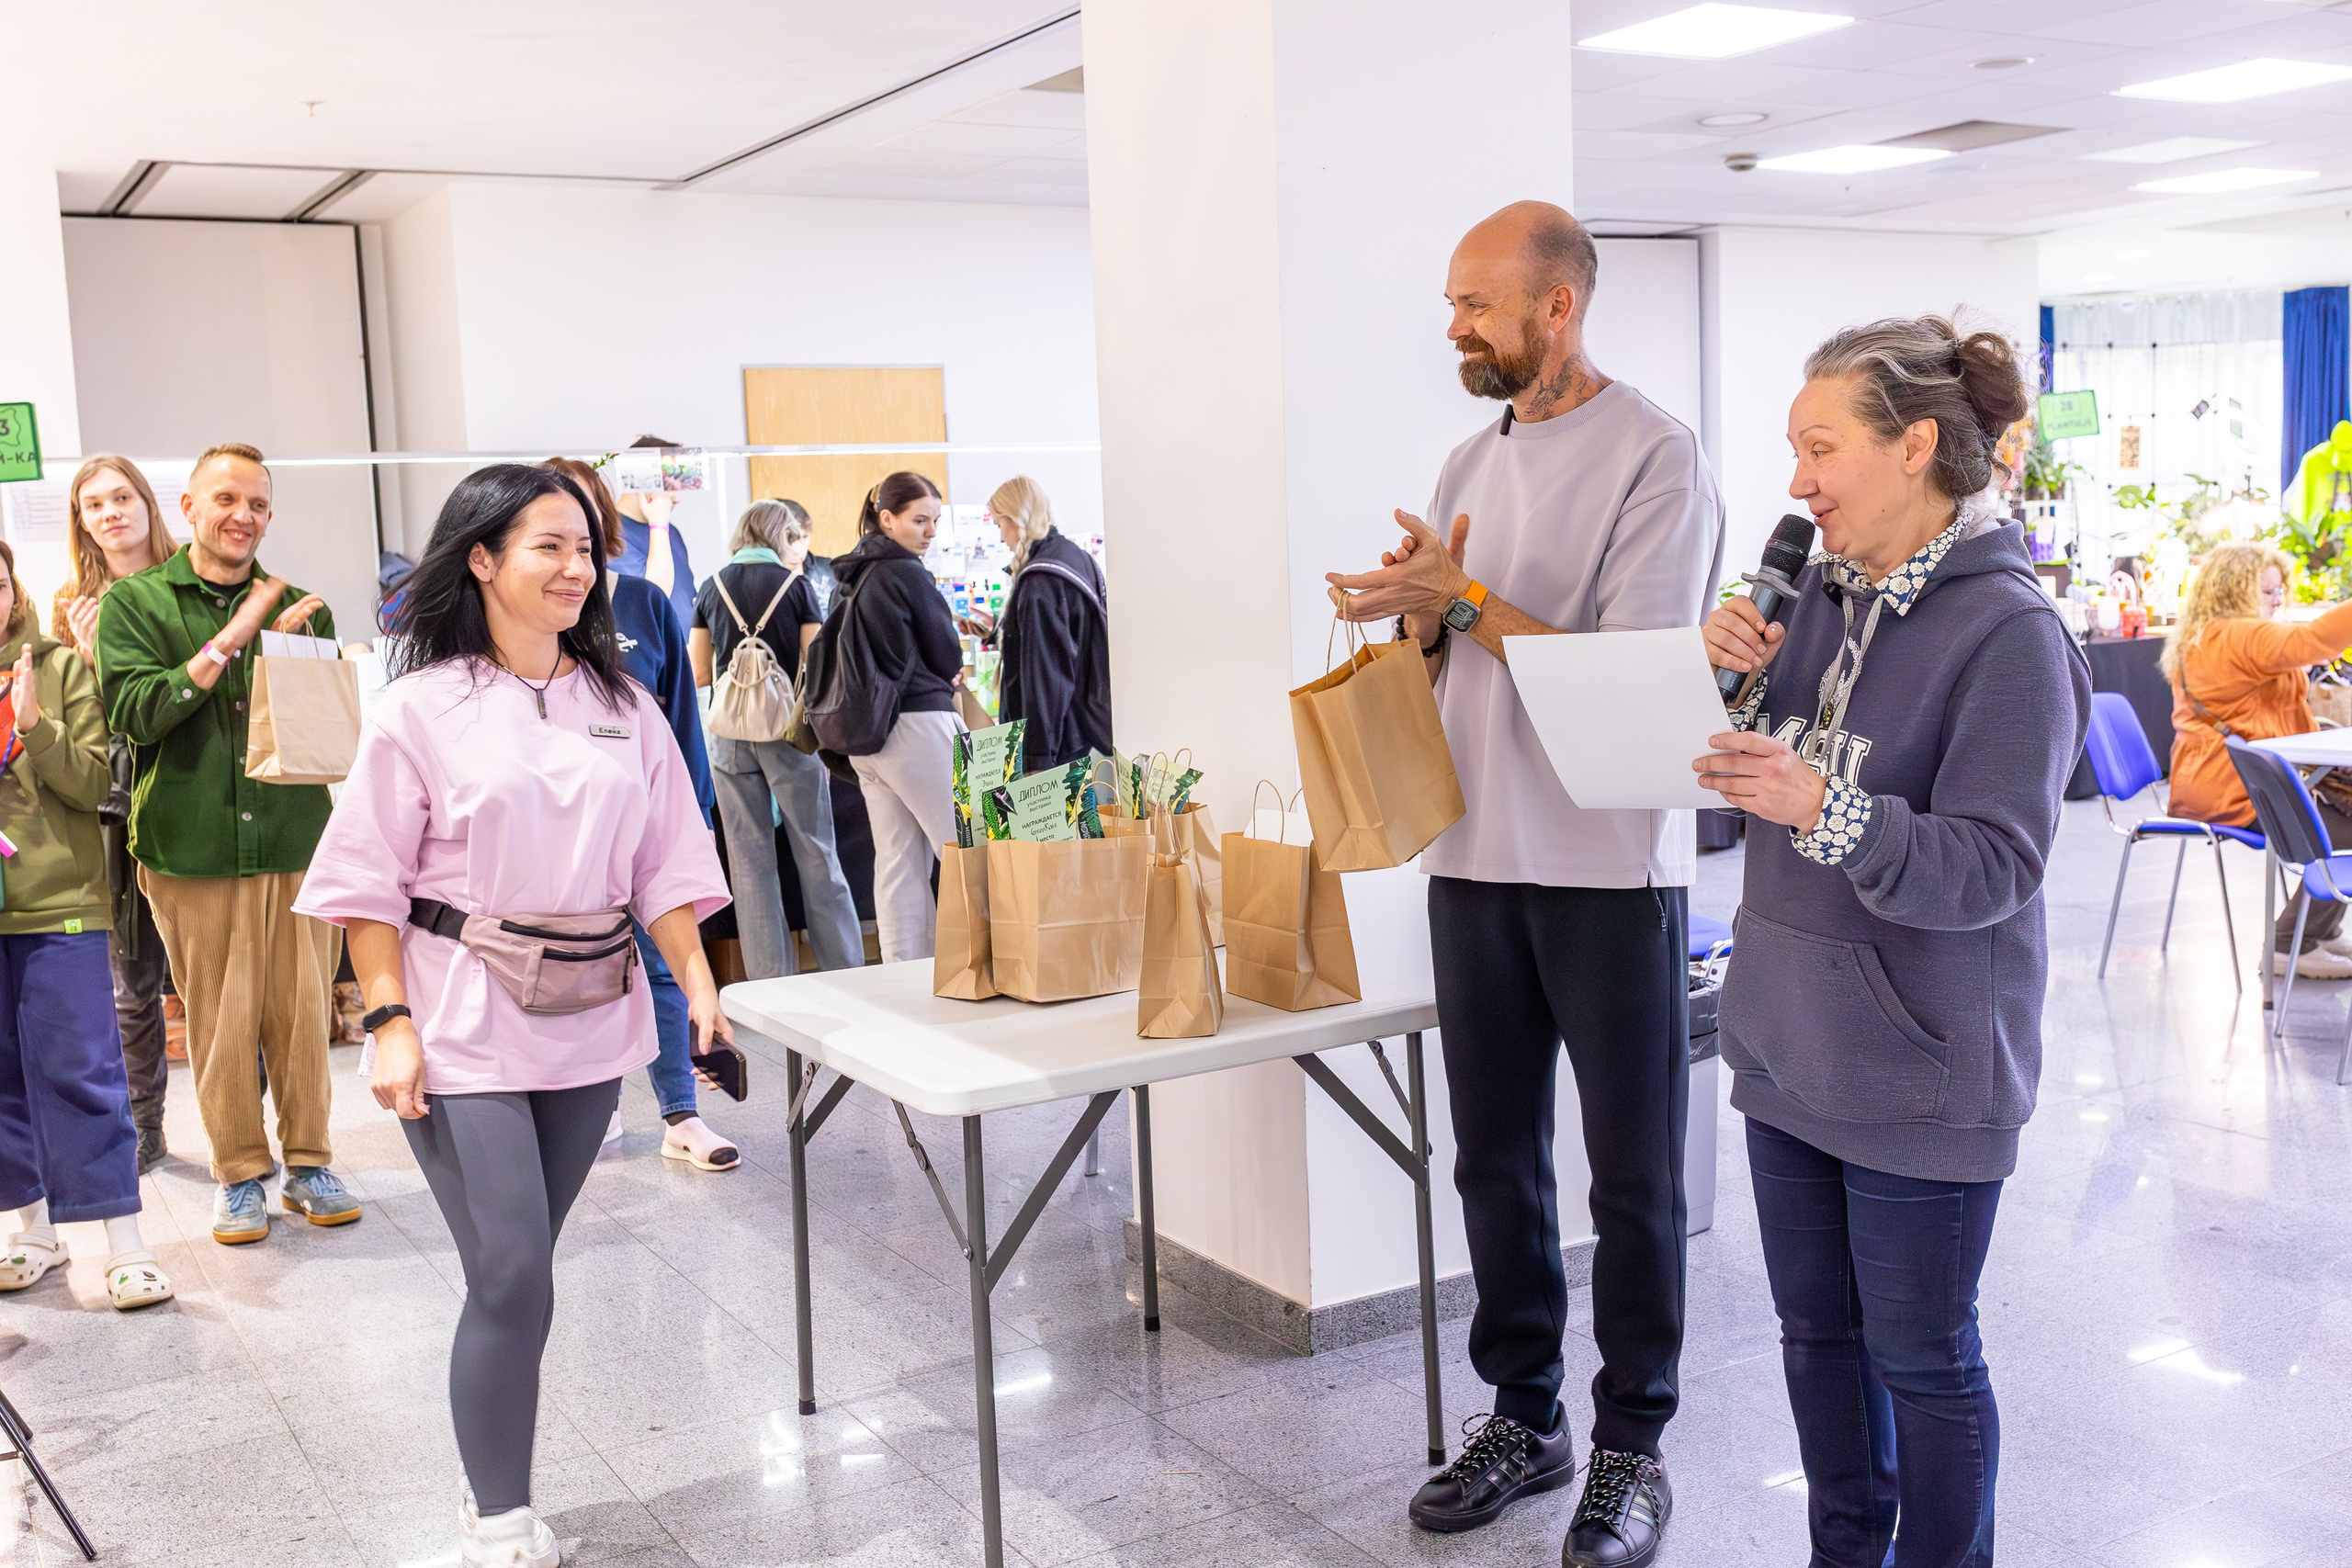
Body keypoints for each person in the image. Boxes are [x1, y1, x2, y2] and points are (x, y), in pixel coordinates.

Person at [1327, 201, 1722, 1568]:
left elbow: (1627, 675)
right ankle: (1526, 1413)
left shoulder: (1657, 456)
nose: (1456, 326)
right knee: (1492, 1160)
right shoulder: (1462, 457)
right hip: (1474, 854)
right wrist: (1416, 613)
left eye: (1478, 305)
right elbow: (1466, 647)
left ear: (1559, 307)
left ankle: (1633, 1443)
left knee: (1634, 1182)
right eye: (1452, 302)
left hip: (1608, 871)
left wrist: (1470, 599)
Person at [1696, 317, 2088, 1568]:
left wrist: (1825, 804)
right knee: (1815, 1336)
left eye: (1821, 448)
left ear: (1916, 445)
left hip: (1920, 1067)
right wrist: (1728, 694)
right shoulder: (1814, 593)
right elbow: (1732, 797)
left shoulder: (2013, 634)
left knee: (1921, 1354)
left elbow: (1994, 866)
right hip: (1787, 1042)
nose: (1797, 483)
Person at [294, 464, 729, 1568]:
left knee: (523, 1267)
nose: (577, 568)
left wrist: (700, 981)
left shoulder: (624, 708)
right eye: (549, 546)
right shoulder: (420, 708)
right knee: (511, 1270)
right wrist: (390, 1021)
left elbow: (665, 867)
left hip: (591, 1012)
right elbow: (366, 887)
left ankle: (485, 1453)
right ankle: (498, 1516)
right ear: (481, 560)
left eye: (586, 548)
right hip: (457, 1017)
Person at [95, 443, 357, 1247]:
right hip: (189, 846)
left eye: (259, 505)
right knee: (218, 1018)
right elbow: (136, 712)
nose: (244, 516)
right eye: (227, 499)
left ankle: (310, 1162)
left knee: (303, 1013)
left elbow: (316, 733)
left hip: (294, 839)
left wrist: (285, 649)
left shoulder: (304, 606)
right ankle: (240, 1174)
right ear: (189, 507)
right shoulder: (135, 604)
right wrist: (232, 639)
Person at [544, 456, 736, 1171]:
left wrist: (699, 813)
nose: (571, 551)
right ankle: (592, 1110)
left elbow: (682, 720)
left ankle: (681, 1111)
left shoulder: (645, 604)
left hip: (646, 825)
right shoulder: (523, 619)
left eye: (583, 528)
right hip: (561, 835)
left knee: (660, 964)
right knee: (576, 971)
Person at [0, 540, 173, 1312]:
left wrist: (34, 722)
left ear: (13, 588)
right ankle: (32, 1230)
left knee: (82, 1072)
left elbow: (94, 783)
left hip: (59, 905)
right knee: (2, 1083)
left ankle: (127, 1245)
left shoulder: (60, 666)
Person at [53, 456, 178, 1176]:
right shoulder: (74, 600)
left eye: (121, 497)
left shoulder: (186, 579)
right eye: (93, 504)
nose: (110, 513)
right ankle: (147, 1124)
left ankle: (243, 1119)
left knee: (211, 975)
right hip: (114, 802)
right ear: (82, 521)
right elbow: (82, 723)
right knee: (132, 978)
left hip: (188, 790)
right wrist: (86, 654)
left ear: (146, 502)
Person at [2161, 541, 2352, 978]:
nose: (2277, 599)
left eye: (2279, 590)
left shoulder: (2212, 634)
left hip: (2225, 781)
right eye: (2267, 592)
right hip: (2238, 790)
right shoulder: (2235, 635)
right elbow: (2313, 640)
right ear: (2235, 591)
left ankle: (2317, 928)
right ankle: (2290, 944)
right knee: (2343, 830)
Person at [691, 498, 864, 977]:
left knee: (748, 865)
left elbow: (701, 672)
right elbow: (819, 663)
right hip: (786, 733)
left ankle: (770, 984)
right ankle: (845, 969)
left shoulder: (711, 586)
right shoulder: (797, 586)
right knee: (817, 851)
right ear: (781, 537)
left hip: (727, 738)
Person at [833, 471, 963, 964]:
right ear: (887, 519)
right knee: (968, 850)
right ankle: (987, 964)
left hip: (868, 736)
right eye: (919, 520)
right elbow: (946, 654)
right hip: (918, 725)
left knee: (897, 863)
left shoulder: (849, 575)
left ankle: (902, 976)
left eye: (934, 521)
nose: (929, 532)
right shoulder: (907, 572)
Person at [976, 476, 1111, 773]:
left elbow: (1045, 674)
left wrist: (1038, 757)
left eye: (1000, 525)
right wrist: (1001, 630)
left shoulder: (1040, 581)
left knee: (1056, 821)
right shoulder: (1076, 558)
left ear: (1015, 520)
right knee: (1080, 819)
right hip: (1080, 732)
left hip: (1056, 745)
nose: (1001, 538)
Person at [611, 434, 699, 633]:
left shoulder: (671, 532)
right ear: (641, 481)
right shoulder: (611, 533)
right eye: (670, 485)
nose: (677, 498)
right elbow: (650, 595)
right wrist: (658, 522)